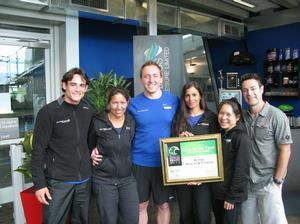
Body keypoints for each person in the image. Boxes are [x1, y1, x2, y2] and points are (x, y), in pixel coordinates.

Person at [31, 67, 93, 223]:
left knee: (81, 221)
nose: (77, 89)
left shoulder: (87, 110)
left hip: (84, 181)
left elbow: (90, 141)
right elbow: (38, 150)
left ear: (85, 88)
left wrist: (94, 151)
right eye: (73, 84)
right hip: (59, 182)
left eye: (81, 85)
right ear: (64, 85)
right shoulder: (49, 112)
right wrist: (39, 184)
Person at [127, 60, 179, 224]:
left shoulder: (174, 101)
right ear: (141, 79)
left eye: (155, 76)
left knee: (163, 205)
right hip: (139, 163)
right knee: (140, 205)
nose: (151, 80)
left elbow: (184, 124)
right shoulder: (132, 104)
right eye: (147, 76)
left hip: (165, 162)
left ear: (161, 78)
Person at [240, 73, 292, 224]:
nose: (249, 93)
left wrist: (277, 180)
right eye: (245, 90)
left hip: (268, 181)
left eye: (253, 88)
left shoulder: (277, 116)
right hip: (248, 183)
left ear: (261, 89)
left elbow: (285, 150)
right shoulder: (241, 117)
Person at [171, 81, 219, 224]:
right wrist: (178, 140)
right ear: (183, 98)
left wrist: (203, 176)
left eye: (194, 95)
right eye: (187, 95)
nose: (191, 99)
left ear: (200, 96)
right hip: (183, 178)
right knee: (185, 215)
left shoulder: (211, 118)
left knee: (202, 215)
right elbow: (172, 149)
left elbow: (216, 149)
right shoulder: (178, 118)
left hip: (203, 179)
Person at [89, 87, 139, 224]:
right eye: (114, 102)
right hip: (104, 180)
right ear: (109, 103)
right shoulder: (97, 121)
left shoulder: (131, 121)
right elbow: (87, 144)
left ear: (127, 103)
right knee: (108, 221)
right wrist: (91, 153)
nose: (118, 107)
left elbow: (134, 143)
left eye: (122, 102)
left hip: (127, 180)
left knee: (131, 219)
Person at [211, 98, 251, 224]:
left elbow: (242, 170)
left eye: (228, 114)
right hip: (218, 193)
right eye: (221, 113)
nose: (223, 117)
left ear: (237, 117)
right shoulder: (221, 134)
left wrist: (232, 197)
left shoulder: (241, 137)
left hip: (230, 196)